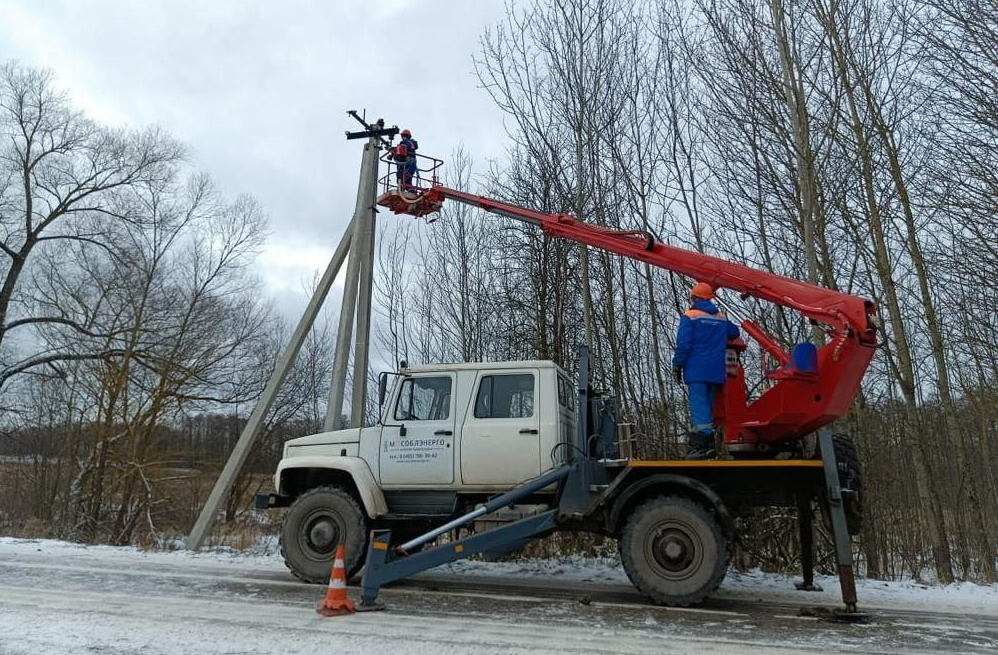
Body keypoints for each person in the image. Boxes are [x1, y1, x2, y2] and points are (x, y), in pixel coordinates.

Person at [672, 282, 740, 459]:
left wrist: (677, 364)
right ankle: (703, 446)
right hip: (716, 372)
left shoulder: (690, 316)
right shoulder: (720, 316)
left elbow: (684, 345)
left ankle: (704, 446)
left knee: (699, 408)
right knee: (706, 410)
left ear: (694, 297)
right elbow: (734, 333)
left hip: (697, 371)